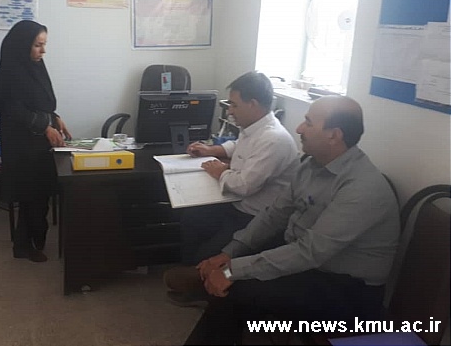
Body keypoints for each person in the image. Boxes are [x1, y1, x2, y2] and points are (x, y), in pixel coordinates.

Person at [168, 95, 400, 345]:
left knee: (235, 285)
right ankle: (216, 294)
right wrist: (230, 252)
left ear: (334, 135)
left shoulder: (361, 188)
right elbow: (274, 214)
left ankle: (213, 297)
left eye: (308, 123)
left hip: (347, 291)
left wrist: (232, 269)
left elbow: (309, 252)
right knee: (234, 268)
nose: (299, 128)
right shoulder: (311, 165)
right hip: (309, 262)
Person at [164, 71, 299, 305]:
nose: (230, 111)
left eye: (234, 105)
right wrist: (212, 151)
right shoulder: (255, 128)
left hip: (255, 217)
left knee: (206, 252)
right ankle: (192, 274)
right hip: (234, 205)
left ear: (252, 104)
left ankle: (199, 285)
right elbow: (238, 145)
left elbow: (244, 185)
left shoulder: (274, 139)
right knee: (191, 218)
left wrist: (220, 171)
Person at [0, 20, 71, 263]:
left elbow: (40, 102)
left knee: (39, 194)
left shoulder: (35, 67)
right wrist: (45, 127)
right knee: (30, 195)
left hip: (38, 143)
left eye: (44, 44)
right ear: (22, 44)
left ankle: (31, 240)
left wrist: (55, 118)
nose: (43, 51)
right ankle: (25, 245)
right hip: (22, 145)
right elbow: (13, 110)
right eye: (37, 45)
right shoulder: (9, 72)